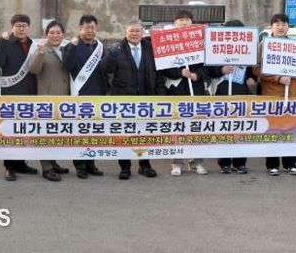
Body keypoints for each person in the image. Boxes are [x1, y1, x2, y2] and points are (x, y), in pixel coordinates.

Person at [102, 20, 165, 180]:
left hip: (146, 98)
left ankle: (145, 165)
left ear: (142, 33)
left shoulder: (150, 48)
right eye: (131, 31)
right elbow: (105, 69)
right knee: (125, 134)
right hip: (124, 100)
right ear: (125, 33)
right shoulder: (117, 48)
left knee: (145, 133)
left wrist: (160, 95)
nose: (134, 34)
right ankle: (125, 167)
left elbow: (158, 74)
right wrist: (111, 57)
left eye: (137, 31)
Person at [161, 10, 210, 177]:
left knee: (196, 127)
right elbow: (162, 67)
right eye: (180, 20)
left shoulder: (201, 40)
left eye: (187, 20)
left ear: (192, 22)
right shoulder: (166, 40)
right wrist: (179, 72)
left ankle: (196, 162)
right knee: (177, 127)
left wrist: (198, 75)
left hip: (195, 89)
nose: (183, 22)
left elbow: (207, 65)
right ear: (175, 22)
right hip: (176, 90)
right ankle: (177, 163)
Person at [253, 13, 296, 176]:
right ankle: (272, 164)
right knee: (273, 130)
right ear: (271, 27)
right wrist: (278, 78)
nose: (281, 27)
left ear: (288, 27)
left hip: (293, 94)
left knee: (292, 130)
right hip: (272, 94)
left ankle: (291, 163)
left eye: (284, 24)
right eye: (277, 24)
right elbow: (257, 69)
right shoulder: (263, 45)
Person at [0, 14, 40, 181]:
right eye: (18, 26)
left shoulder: (34, 45)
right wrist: (2, 42)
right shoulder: (6, 43)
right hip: (11, 93)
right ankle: (9, 166)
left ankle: (20, 163)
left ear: (28, 27)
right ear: (12, 27)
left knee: (25, 130)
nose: (21, 29)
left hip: (29, 92)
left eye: (24, 25)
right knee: (11, 130)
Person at [207, 19, 257, 175]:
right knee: (224, 128)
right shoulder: (216, 47)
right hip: (222, 91)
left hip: (242, 93)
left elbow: (252, 72)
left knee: (241, 128)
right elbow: (209, 70)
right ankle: (224, 163)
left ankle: (240, 162)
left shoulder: (248, 49)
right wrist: (221, 69)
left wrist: (252, 79)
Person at [63, 14, 106, 179]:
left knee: (93, 133)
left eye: (92, 27)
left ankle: (90, 164)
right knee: (80, 132)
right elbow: (66, 66)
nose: (90, 30)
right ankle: (80, 165)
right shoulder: (71, 45)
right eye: (87, 27)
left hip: (97, 95)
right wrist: (73, 48)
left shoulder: (100, 47)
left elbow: (104, 71)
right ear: (80, 29)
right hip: (80, 95)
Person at [27, 20, 71, 181]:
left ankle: (53, 163)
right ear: (46, 35)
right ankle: (46, 168)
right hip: (47, 100)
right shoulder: (41, 49)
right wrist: (39, 53)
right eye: (52, 33)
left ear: (63, 34)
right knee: (45, 135)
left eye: (58, 33)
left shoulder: (66, 49)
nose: (55, 35)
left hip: (64, 99)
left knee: (56, 134)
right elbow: (33, 69)